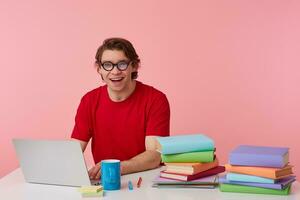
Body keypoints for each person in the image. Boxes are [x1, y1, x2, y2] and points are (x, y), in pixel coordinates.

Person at [71, 37, 170, 180]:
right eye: (107, 65)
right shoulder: (89, 101)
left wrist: (118, 167)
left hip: (145, 181)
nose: (115, 71)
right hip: (106, 181)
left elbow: (155, 155)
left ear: (134, 66)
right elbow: (74, 150)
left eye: (122, 64)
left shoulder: (155, 99)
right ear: (99, 68)